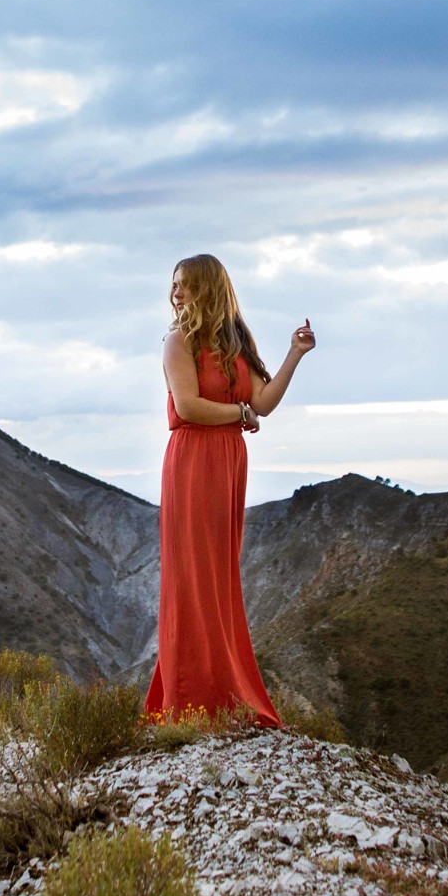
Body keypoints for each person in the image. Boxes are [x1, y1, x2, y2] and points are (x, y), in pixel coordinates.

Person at [145, 252, 316, 728]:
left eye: (186, 284)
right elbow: (189, 406)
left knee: (219, 578)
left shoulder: (236, 342)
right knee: (193, 578)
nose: (176, 292)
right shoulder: (177, 341)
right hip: (193, 461)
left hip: (228, 463)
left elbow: (262, 400)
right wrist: (241, 416)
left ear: (209, 288)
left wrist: (294, 355)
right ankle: (189, 698)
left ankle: (222, 693)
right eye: (173, 283)